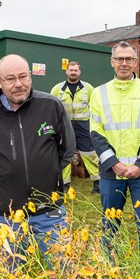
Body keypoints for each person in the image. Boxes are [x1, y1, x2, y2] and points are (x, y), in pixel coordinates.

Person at [0, 54, 75, 271]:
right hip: (6, 216)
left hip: (49, 211)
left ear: (30, 76)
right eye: (10, 79)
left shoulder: (51, 105)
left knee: (65, 273)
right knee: (12, 278)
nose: (18, 84)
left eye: (23, 76)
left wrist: (49, 170)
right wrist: (5, 175)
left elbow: (67, 149)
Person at [89, 41, 140, 268]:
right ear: (112, 62)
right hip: (112, 174)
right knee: (110, 224)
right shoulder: (98, 93)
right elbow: (96, 132)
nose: (124, 63)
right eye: (119, 59)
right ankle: (106, 268)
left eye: (128, 59)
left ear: (135, 62)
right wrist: (113, 163)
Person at [50, 60, 100, 193]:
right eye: (71, 70)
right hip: (64, 126)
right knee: (65, 154)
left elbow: (96, 107)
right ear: (66, 71)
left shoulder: (88, 88)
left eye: (75, 70)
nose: (73, 72)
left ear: (79, 72)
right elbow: (51, 108)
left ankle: (98, 183)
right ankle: (65, 185)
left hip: (83, 126)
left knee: (90, 154)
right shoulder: (57, 89)